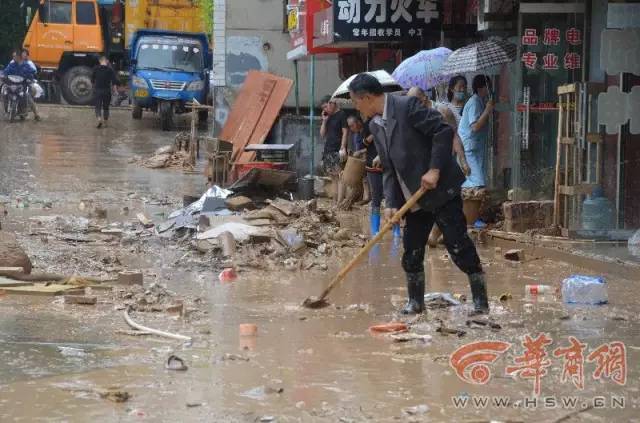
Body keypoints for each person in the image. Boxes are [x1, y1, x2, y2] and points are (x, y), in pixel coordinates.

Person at [348, 73, 489, 316]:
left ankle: (480, 302)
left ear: (367, 98)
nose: (356, 107)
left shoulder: (406, 106)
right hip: (414, 199)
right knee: (412, 251)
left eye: (356, 102)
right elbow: (389, 168)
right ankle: (415, 303)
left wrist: (434, 169)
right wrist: (391, 203)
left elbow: (443, 132)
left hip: (440, 190)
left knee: (458, 246)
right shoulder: (374, 125)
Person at [457, 75, 495, 226]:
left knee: (474, 183)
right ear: (481, 88)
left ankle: (469, 218)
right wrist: (487, 110)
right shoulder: (474, 103)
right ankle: (471, 220)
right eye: (487, 87)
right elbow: (475, 126)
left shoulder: (479, 101)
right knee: (477, 184)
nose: (489, 90)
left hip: (476, 149)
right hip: (469, 150)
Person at [320, 95, 348, 203]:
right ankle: (335, 200)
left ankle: (340, 201)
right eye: (323, 108)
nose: (325, 110)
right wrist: (324, 121)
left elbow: (345, 132)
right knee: (333, 177)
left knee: (340, 176)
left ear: (332, 103)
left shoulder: (342, 114)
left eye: (326, 107)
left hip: (337, 149)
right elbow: (322, 135)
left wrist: (343, 147)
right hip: (328, 149)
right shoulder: (328, 117)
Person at [5, 51, 40, 121]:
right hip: (13, 83)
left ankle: (36, 114)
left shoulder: (27, 64)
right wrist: (3, 75)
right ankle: (6, 108)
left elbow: (33, 72)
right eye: (13, 56)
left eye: (15, 56)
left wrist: (30, 78)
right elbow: (6, 71)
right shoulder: (12, 64)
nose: (14, 58)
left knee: (27, 96)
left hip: (24, 83)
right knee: (5, 90)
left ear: (19, 57)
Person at [91, 56, 119, 128]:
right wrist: (115, 91)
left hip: (98, 91)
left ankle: (99, 119)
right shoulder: (110, 70)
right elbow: (114, 82)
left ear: (100, 61)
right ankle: (105, 122)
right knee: (106, 107)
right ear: (106, 61)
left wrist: (93, 88)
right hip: (107, 91)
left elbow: (92, 80)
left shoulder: (95, 69)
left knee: (98, 107)